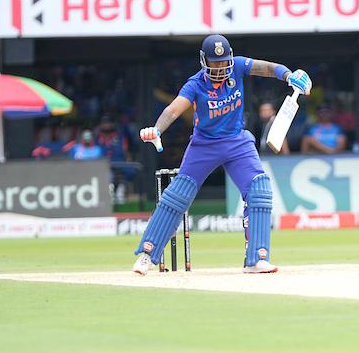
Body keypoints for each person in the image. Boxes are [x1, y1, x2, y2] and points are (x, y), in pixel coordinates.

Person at [132, 35, 312, 275]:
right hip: (204, 145)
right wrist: (157, 128)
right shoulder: (195, 84)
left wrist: (288, 75)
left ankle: (257, 258)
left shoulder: (237, 66)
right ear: (204, 61)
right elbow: (173, 109)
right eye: (214, 63)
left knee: (259, 189)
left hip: (237, 141)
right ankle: (147, 255)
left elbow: (266, 67)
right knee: (177, 196)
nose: (220, 68)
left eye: (223, 62)